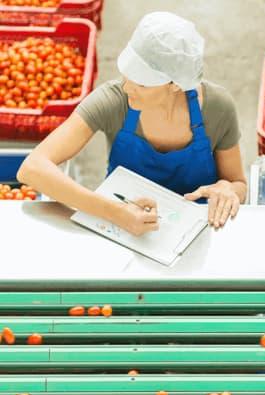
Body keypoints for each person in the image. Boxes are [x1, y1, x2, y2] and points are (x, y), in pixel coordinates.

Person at [18, 11, 246, 235]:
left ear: (176, 85)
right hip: (120, 230)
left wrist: (228, 189)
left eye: (143, 83)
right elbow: (33, 168)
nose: (127, 88)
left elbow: (238, 184)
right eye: (128, 74)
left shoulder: (217, 108)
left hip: (198, 232)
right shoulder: (115, 100)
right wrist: (116, 212)